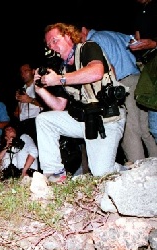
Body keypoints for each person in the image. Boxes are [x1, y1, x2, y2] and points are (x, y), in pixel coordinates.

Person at [34, 23, 126, 183]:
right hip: (87, 120)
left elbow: (96, 71)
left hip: (108, 119)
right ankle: (55, 173)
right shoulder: (63, 69)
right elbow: (59, 106)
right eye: (49, 44)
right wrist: (40, 89)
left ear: (69, 36)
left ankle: (125, 170)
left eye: (55, 40)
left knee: (100, 173)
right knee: (44, 120)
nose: (52, 47)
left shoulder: (87, 48)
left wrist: (59, 80)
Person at [80, 24, 157, 163]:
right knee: (147, 129)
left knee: (129, 130)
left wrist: (111, 94)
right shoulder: (112, 33)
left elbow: (110, 67)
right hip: (139, 80)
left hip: (123, 84)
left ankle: (137, 168)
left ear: (84, 30)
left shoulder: (92, 43)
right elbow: (135, 42)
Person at [129, 0, 157, 143]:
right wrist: (136, 43)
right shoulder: (140, 11)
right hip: (150, 68)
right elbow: (138, 36)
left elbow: (151, 42)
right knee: (154, 127)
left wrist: (153, 44)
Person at [13, 64, 44, 144]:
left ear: (33, 71)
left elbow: (46, 105)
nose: (23, 74)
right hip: (22, 124)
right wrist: (18, 102)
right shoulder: (22, 89)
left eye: (26, 71)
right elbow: (18, 111)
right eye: (21, 72)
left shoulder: (39, 85)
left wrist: (30, 100)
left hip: (35, 122)